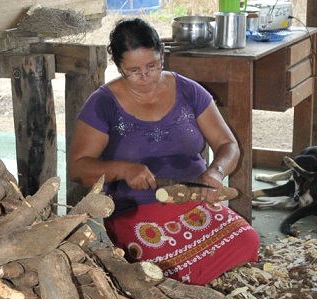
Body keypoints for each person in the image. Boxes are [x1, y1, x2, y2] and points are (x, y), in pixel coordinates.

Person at [68, 17, 259, 285]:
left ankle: (200, 282)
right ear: (118, 65)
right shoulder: (102, 103)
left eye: (152, 66)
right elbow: (78, 169)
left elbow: (228, 145)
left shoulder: (190, 92)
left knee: (247, 241)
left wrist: (215, 172)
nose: (145, 77)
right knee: (165, 267)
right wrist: (122, 169)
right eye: (133, 70)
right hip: (133, 209)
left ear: (162, 54)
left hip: (191, 199)